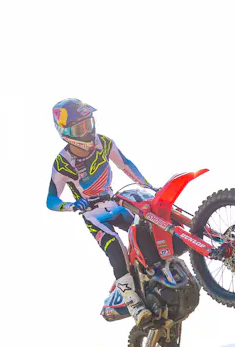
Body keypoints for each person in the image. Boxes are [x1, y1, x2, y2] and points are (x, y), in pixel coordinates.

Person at [46, 98, 154, 325]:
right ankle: (133, 303)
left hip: (115, 201)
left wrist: (147, 185)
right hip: (93, 214)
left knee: (146, 227)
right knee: (116, 249)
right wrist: (71, 206)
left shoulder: (103, 143)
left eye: (89, 123)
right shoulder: (62, 162)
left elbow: (125, 164)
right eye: (80, 128)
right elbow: (51, 199)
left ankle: (157, 275)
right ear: (65, 132)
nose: (87, 131)